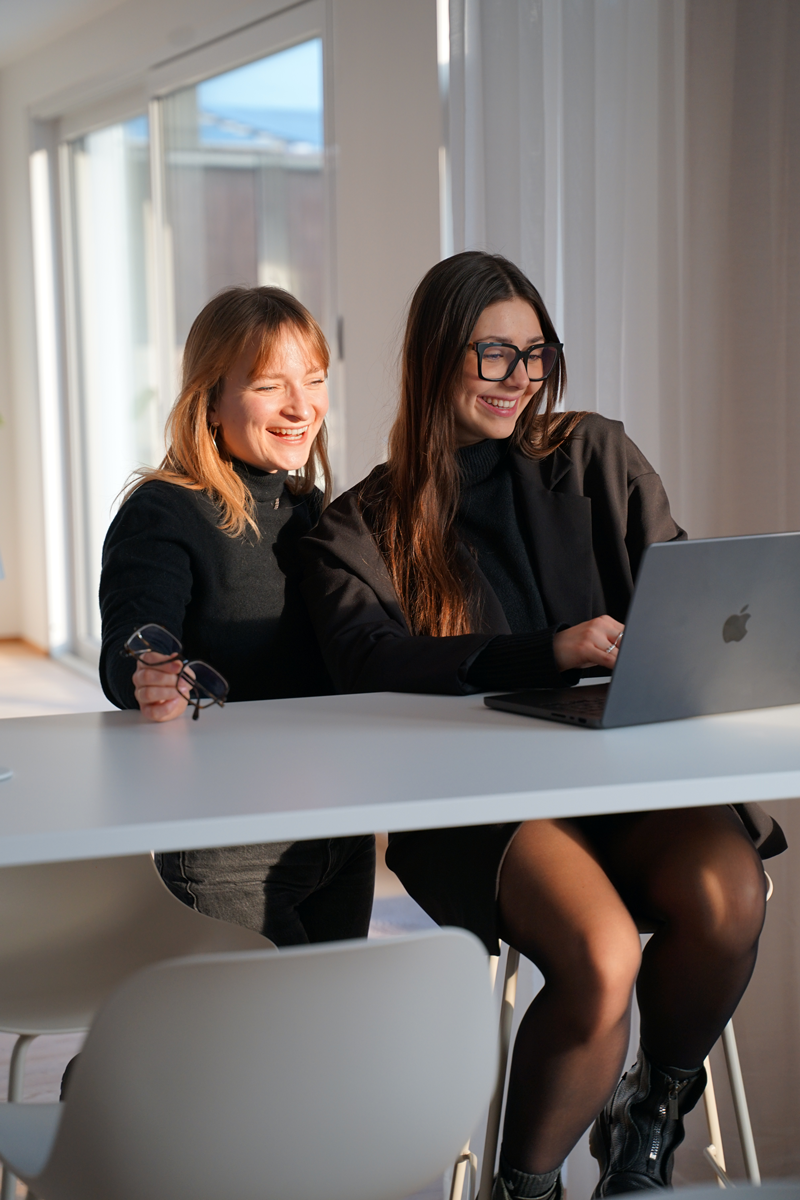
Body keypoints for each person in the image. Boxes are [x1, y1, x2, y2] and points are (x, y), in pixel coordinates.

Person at [299, 252, 786, 1198]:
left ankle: (647, 1120)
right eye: (492, 354)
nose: (519, 377)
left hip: (620, 773)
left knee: (731, 896)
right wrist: (547, 650)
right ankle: (525, 1186)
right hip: (481, 805)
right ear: (436, 357)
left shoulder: (594, 455)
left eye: (535, 353)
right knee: (603, 954)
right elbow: (367, 659)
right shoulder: (365, 522)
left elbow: (683, 590)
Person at [99, 286, 375, 947]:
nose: (301, 406)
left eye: (313, 380)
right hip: (230, 847)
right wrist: (149, 671)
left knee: (330, 1032)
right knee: (266, 1042)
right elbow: (132, 642)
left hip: (340, 826)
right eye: (270, 385)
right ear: (211, 398)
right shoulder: (163, 512)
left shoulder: (308, 514)